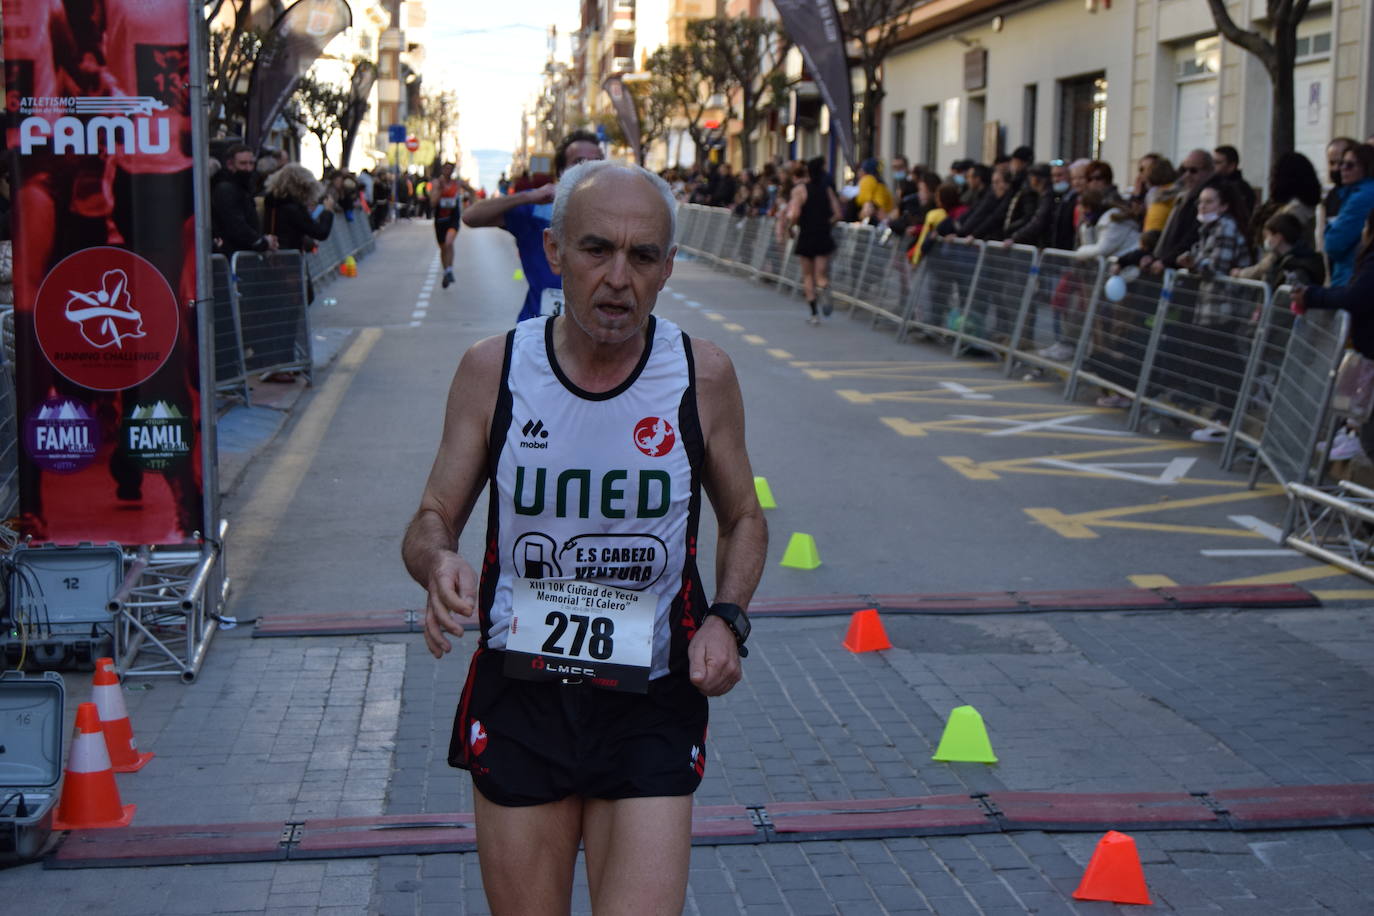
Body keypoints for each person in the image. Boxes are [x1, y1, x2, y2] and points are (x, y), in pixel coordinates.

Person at [402, 160, 766, 915]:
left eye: (643, 256)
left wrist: (728, 621)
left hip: (652, 698)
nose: (618, 278)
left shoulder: (702, 376)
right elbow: (432, 515)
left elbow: (744, 518)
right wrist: (439, 563)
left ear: (669, 267)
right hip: (523, 694)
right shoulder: (494, 370)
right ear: (554, 253)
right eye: (597, 249)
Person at [462, 130, 605, 321]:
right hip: (538, 332)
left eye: (596, 163)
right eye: (579, 162)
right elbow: (471, 217)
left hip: (601, 331)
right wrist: (528, 196)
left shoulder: (622, 212)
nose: (588, 169)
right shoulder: (536, 210)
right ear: (561, 172)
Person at [263, 162, 334, 302]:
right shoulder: (292, 208)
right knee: (298, 299)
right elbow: (320, 232)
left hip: (276, 257)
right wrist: (327, 211)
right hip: (290, 261)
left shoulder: (273, 203)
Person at [786, 156, 844, 325]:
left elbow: (795, 214)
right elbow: (838, 214)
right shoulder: (827, 189)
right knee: (821, 274)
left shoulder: (800, 190)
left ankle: (813, 313)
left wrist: (791, 227)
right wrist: (827, 223)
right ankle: (825, 289)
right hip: (823, 234)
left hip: (806, 234)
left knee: (808, 276)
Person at [1323, 142, 1374, 287]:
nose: (1342, 169)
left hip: (1351, 276)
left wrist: (1330, 227)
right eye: (1341, 163)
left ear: (1366, 167)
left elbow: (1334, 244)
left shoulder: (1362, 197)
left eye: (1350, 165)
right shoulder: (1352, 194)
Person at [211, 144, 278, 255]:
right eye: (243, 163)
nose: (248, 168)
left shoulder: (243, 189)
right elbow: (235, 225)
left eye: (251, 163)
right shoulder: (225, 189)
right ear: (230, 165)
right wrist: (261, 242)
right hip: (232, 255)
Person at [430, 163, 476, 289]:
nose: (448, 172)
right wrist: (439, 191)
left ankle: (449, 270)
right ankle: (446, 271)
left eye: (450, 169)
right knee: (443, 247)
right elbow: (433, 203)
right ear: (442, 170)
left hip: (453, 218)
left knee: (449, 242)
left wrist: (472, 205)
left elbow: (472, 191)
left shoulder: (458, 183)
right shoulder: (436, 183)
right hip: (440, 219)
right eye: (446, 169)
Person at [1212, 145, 1256, 216]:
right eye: (1212, 162)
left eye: (1217, 163)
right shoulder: (1214, 184)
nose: (1213, 166)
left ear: (1231, 166)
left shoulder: (1240, 189)